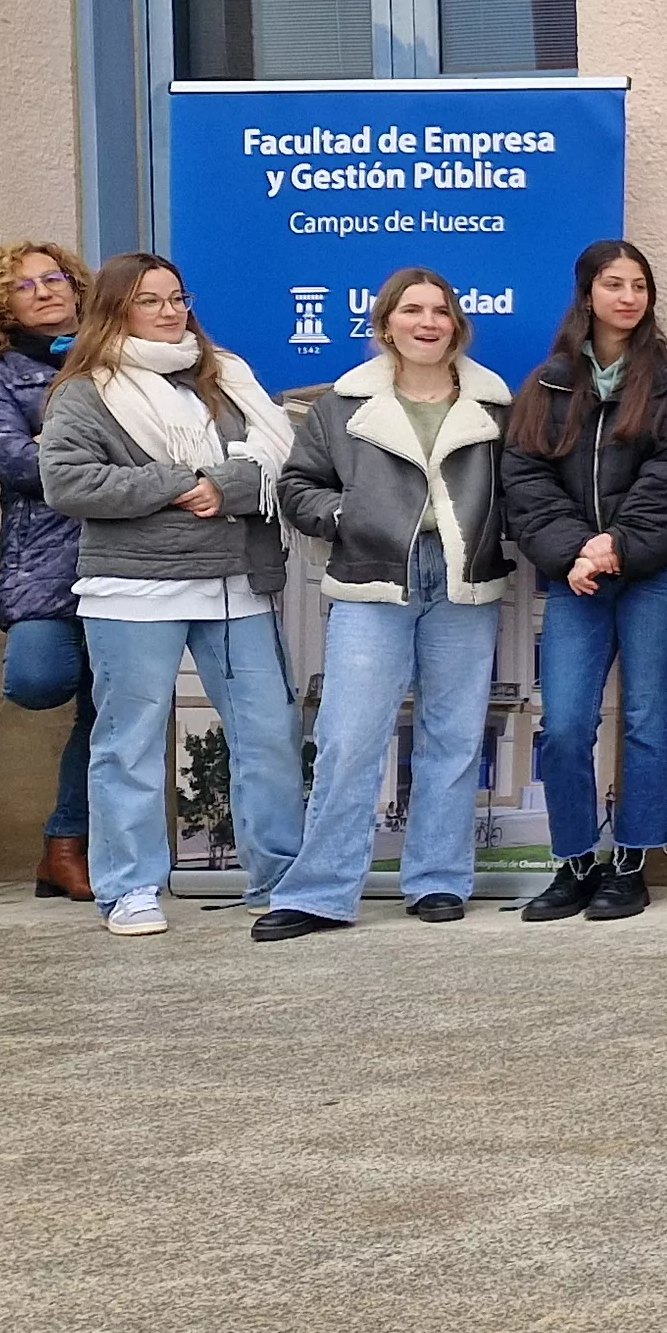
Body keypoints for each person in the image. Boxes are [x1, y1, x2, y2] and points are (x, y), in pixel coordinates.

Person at [37, 254, 300, 939]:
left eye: (177, 298)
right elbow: (70, 484)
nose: (169, 311)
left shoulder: (227, 380)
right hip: (131, 589)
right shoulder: (85, 391)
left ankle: (280, 877)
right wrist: (178, 482)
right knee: (129, 743)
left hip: (235, 582)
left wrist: (224, 489)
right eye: (150, 300)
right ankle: (129, 889)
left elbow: (273, 464)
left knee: (268, 734)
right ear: (117, 309)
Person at [265, 270, 511, 941]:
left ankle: (438, 880)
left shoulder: (497, 406)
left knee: (454, 737)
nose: (428, 322)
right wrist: (346, 515)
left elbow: (522, 491)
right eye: (412, 310)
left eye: (440, 311)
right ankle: (320, 891)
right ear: (386, 324)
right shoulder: (341, 406)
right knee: (348, 738)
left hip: (465, 581)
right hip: (374, 579)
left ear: (457, 324)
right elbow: (298, 485)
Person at [503, 240, 667, 924]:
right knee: (565, 722)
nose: (628, 297)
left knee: (646, 717)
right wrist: (576, 551)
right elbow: (525, 480)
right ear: (587, 295)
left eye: (639, 286)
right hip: (578, 578)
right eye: (613, 284)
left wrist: (617, 545)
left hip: (658, 572)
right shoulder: (549, 384)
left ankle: (631, 863)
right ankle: (574, 864)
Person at [0, 242, 97, 903]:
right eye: (24, 286)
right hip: (44, 565)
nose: (44, 291)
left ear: (78, 289)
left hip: (123, 558)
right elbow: (19, 466)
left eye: (54, 279)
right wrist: (92, 457)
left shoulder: (115, 360)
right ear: (4, 305)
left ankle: (67, 843)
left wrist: (61, 449)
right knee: (40, 679)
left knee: (106, 707)